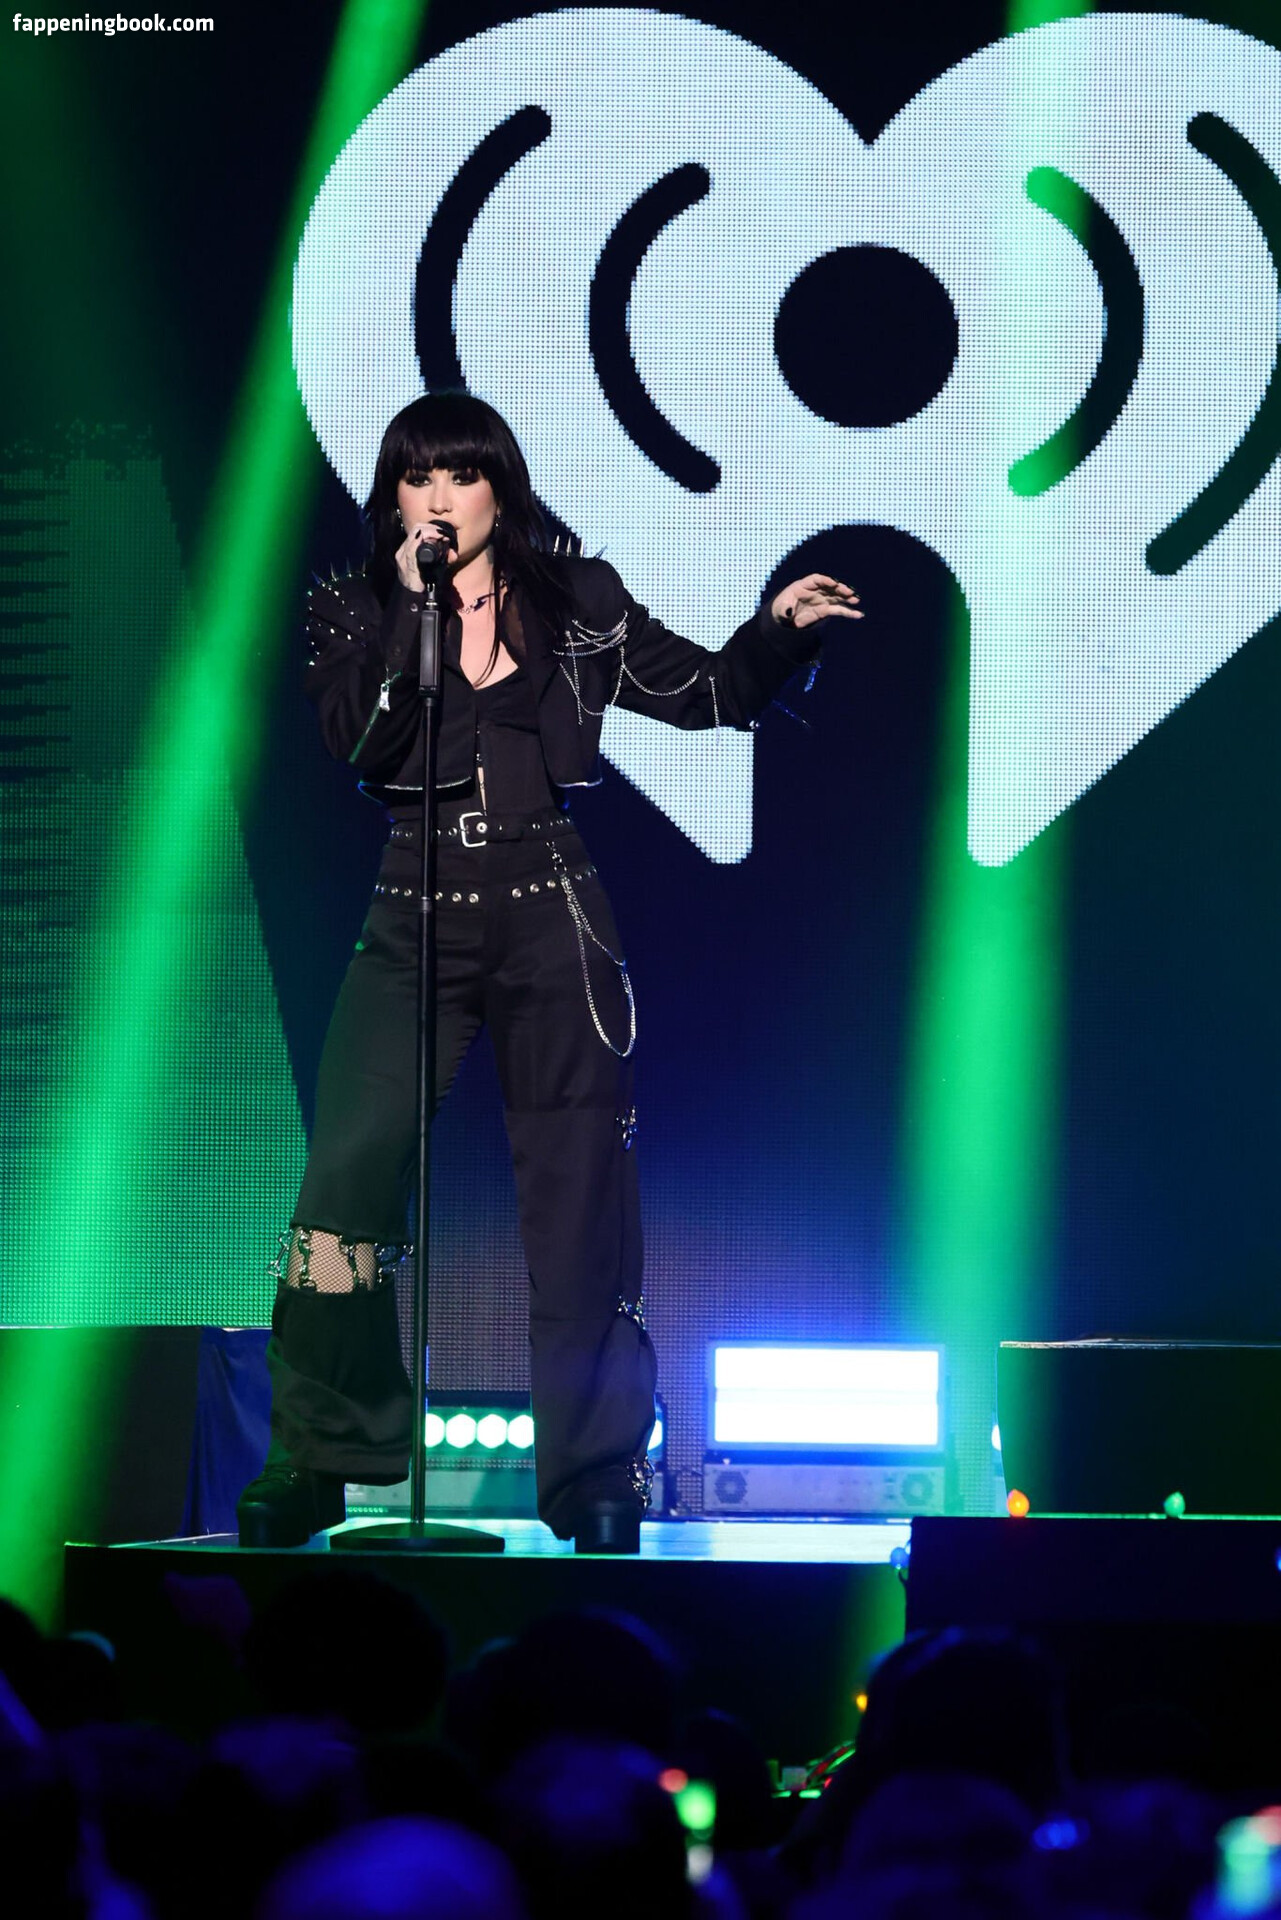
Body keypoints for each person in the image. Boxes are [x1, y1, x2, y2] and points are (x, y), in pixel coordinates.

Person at [235, 391, 861, 1554]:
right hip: (410, 914)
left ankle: (596, 1474)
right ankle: (321, 1456)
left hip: (549, 913)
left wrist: (777, 631)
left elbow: (709, 695)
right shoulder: (356, 605)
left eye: (460, 475)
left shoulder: (580, 601)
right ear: (393, 496)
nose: (437, 497)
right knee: (343, 1191)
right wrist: (414, 615)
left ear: (499, 491)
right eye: (416, 475)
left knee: (580, 1204)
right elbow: (358, 740)